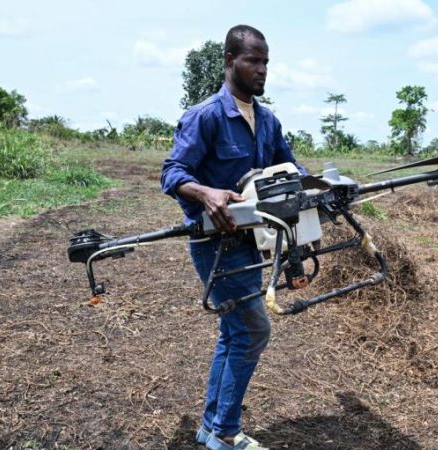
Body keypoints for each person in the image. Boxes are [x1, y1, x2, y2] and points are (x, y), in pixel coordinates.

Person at [161, 25, 303, 450]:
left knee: (234, 332)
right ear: (229, 61)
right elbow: (172, 173)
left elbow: (289, 173)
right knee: (254, 329)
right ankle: (224, 432)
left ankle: (211, 426)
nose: (261, 70)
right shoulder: (205, 116)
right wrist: (206, 193)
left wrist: (322, 192)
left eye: (265, 62)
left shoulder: (268, 120)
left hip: (253, 241)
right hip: (214, 246)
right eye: (252, 61)